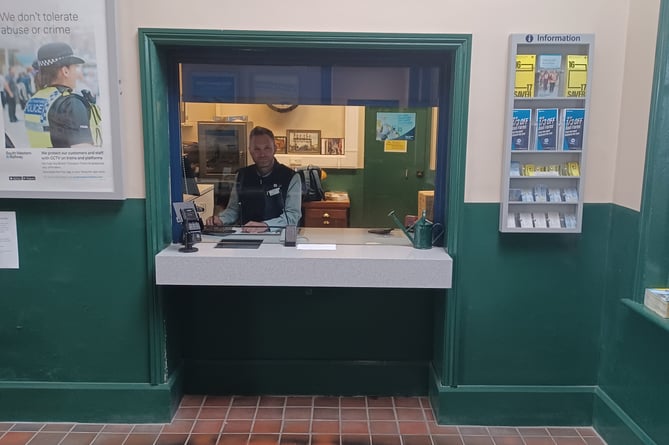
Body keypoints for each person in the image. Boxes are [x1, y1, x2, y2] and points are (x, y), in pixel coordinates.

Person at [206, 126, 302, 233]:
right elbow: (233, 210)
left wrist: (266, 225)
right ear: (250, 151)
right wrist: (220, 220)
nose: (262, 154)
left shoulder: (291, 177)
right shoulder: (242, 175)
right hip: (246, 237)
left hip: (279, 239)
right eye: (257, 149)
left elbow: (293, 216)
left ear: (275, 149)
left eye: (267, 148)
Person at [24, 42, 102, 148]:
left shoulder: (33, 100)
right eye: (75, 67)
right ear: (65, 71)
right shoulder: (71, 104)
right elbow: (83, 154)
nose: (77, 73)